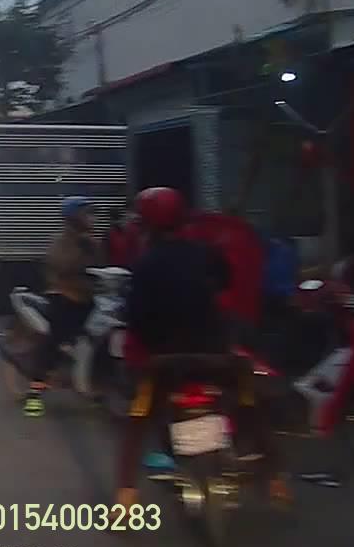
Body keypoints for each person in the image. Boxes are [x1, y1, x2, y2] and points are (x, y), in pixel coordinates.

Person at [116, 186, 290, 509]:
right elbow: (225, 283)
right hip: (216, 358)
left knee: (138, 417)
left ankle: (126, 496)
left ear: (147, 224)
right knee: (248, 401)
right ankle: (276, 479)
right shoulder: (206, 253)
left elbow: (136, 318)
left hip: (166, 363)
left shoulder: (145, 265)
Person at [23, 195, 102, 417]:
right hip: (65, 296)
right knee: (54, 339)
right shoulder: (62, 241)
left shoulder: (92, 241)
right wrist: (82, 250)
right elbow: (61, 265)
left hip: (88, 297)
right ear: (74, 217)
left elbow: (102, 264)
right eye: (86, 214)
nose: (91, 218)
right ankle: (34, 391)